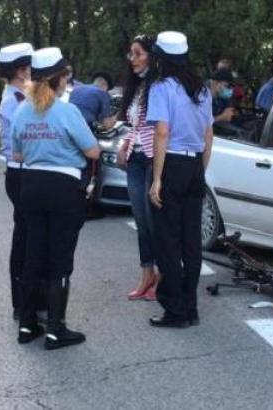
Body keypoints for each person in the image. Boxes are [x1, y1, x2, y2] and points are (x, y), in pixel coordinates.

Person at [11, 47, 101, 349]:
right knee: (60, 258)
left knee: (33, 254)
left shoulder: (22, 110)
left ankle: (27, 325)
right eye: (66, 74)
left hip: (31, 184)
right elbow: (92, 151)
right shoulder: (67, 111)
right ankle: (55, 328)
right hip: (63, 187)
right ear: (60, 78)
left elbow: (18, 153)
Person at [146, 31, 214, 328]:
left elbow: (162, 132)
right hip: (195, 165)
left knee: (168, 240)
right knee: (191, 242)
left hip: (171, 162)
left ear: (161, 58)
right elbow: (209, 134)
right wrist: (201, 168)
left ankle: (174, 310)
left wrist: (157, 178)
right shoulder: (202, 90)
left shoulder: (162, 88)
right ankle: (191, 307)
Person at [115, 34, 160, 301]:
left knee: (155, 222)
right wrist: (124, 146)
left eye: (138, 53)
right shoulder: (137, 87)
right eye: (131, 54)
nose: (133, 59)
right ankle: (147, 274)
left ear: (153, 56)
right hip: (135, 159)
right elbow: (136, 126)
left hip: (154, 158)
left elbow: (161, 127)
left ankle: (164, 274)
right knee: (142, 222)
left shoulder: (162, 86)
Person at [0, 42, 35, 320]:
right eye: (30, 68)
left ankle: (30, 299)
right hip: (20, 173)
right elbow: (21, 144)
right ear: (22, 71)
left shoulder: (21, 95)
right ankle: (21, 303)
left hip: (23, 173)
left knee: (29, 236)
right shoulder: (14, 101)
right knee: (24, 239)